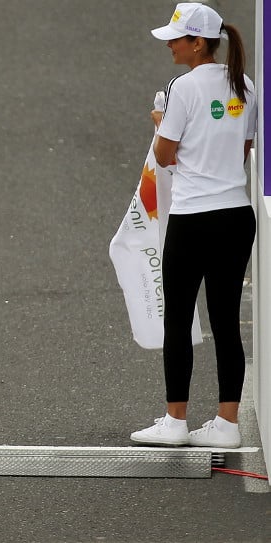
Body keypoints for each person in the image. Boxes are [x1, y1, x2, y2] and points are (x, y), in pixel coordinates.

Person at [130, 3, 256, 449]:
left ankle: (176, 420)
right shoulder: (245, 84)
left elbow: (165, 156)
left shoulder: (182, 87)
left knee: (180, 317)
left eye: (177, 38)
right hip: (237, 217)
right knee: (225, 321)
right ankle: (227, 423)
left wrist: (161, 122)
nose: (170, 44)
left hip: (193, 218)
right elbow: (241, 151)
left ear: (197, 42)